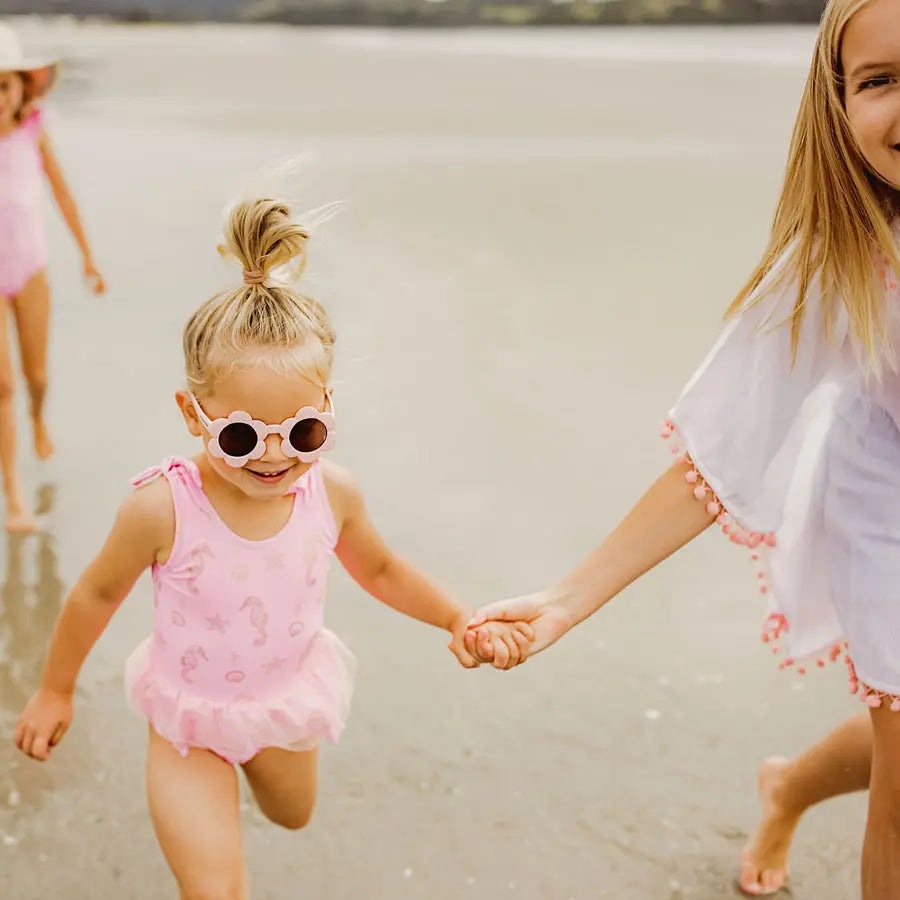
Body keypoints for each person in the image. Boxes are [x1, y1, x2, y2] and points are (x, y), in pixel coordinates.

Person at [466, 0, 900, 896]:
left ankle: (788, 783)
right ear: (839, 106)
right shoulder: (843, 263)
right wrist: (567, 598)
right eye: (881, 80)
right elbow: (719, 448)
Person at [14, 195, 532, 899]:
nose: (273, 457)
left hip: (284, 698)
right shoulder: (162, 507)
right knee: (215, 889)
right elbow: (97, 592)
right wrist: (55, 688)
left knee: (292, 815)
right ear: (192, 415)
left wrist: (455, 616)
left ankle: (247, 788)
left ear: (328, 407)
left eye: (304, 432)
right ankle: (209, 813)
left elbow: (380, 568)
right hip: (187, 719)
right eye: (240, 436)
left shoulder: (333, 494)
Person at [0, 22, 105, 532]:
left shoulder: (33, 130)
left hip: (30, 270)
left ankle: (39, 417)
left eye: (3, 84)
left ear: (23, 86)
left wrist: (88, 257)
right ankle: (14, 497)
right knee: (2, 384)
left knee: (36, 377)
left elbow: (62, 195)